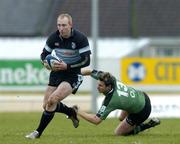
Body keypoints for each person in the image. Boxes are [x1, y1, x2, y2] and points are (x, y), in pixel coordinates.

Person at [25, 13, 91, 139]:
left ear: (70, 25)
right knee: (46, 105)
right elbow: (44, 54)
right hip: (57, 72)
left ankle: (37, 132)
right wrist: (45, 62)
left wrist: (68, 66)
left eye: (64, 25)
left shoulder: (80, 38)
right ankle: (71, 112)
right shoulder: (53, 37)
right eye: (59, 25)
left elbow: (86, 60)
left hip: (73, 73)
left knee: (53, 100)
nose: (61, 28)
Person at [74, 68, 160, 136]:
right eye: (98, 84)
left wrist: (78, 111)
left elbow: (96, 120)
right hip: (141, 96)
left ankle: (147, 125)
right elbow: (90, 71)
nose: (97, 87)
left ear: (109, 87)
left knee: (118, 133)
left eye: (100, 86)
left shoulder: (111, 100)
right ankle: (133, 125)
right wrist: (74, 74)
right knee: (121, 118)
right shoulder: (109, 78)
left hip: (142, 110)